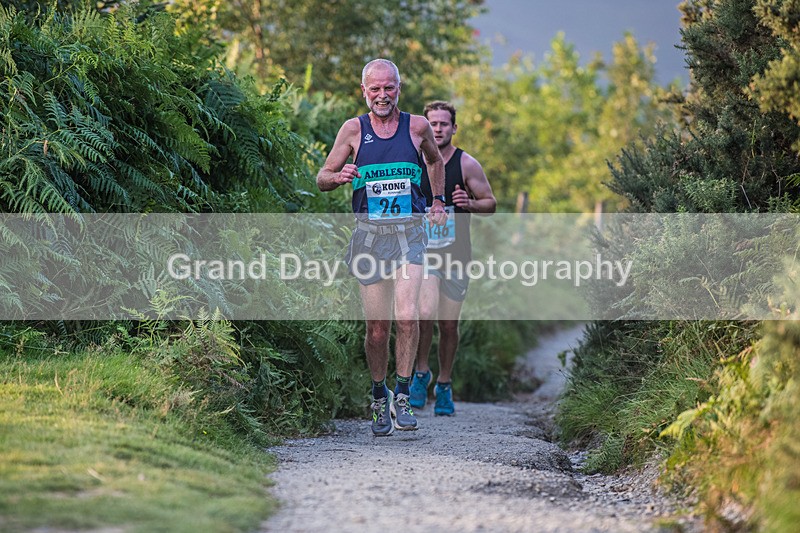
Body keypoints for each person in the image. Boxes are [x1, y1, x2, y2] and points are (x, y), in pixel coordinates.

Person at [316, 59, 447, 436]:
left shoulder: (417, 127)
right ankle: (379, 397)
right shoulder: (353, 130)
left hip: (410, 236)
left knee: (407, 316)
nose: (382, 95)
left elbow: (435, 162)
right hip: (369, 238)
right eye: (375, 89)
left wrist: (437, 200)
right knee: (377, 330)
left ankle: (403, 397)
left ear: (399, 89)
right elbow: (323, 177)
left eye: (388, 87)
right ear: (364, 92)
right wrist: (338, 176)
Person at [410, 101, 496, 416]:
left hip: (456, 254)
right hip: (424, 251)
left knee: (448, 324)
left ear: (454, 128)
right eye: (432, 123)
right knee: (425, 310)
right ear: (424, 126)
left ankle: (444, 383)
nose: (438, 129)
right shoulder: (415, 162)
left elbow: (491, 202)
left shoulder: (467, 164)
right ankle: (421, 372)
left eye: (444, 124)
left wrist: (469, 204)